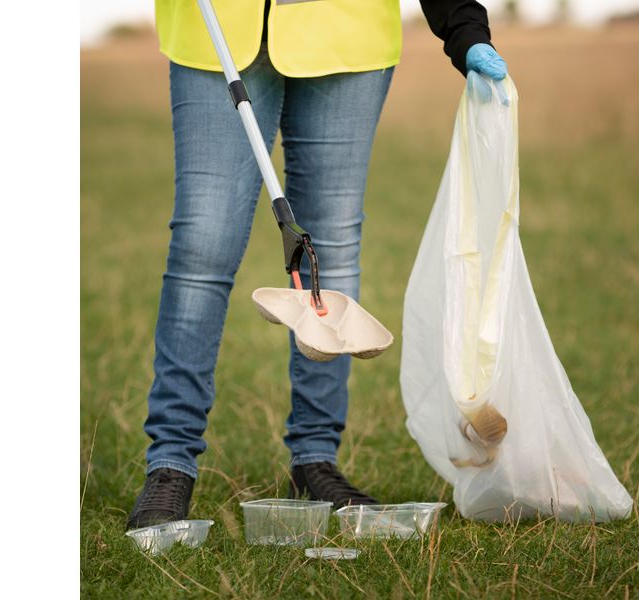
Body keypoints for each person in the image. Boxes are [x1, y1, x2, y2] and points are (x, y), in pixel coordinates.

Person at [127, 0, 508, 529]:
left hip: (345, 36)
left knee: (329, 250)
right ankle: (170, 464)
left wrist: (464, 28)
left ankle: (315, 459)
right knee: (203, 243)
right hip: (216, 32)